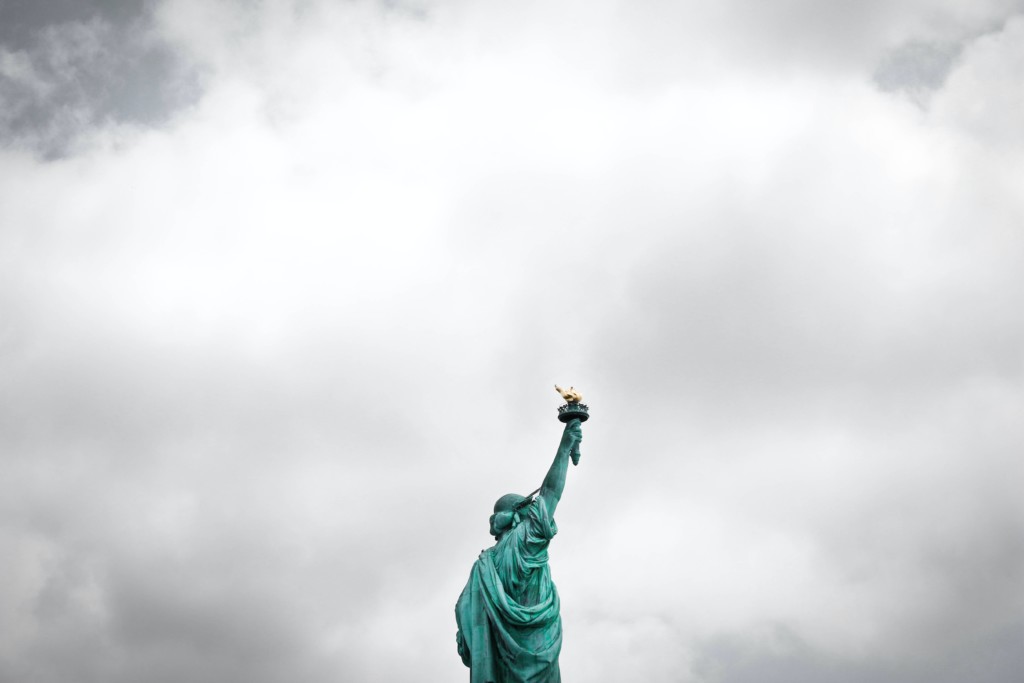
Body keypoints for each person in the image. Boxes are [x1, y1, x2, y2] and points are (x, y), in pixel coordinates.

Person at [455, 419, 583, 683]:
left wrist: (564, 447)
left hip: (508, 655)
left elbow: (550, 492)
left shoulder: (499, 554)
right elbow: (550, 494)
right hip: (533, 650)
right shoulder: (509, 548)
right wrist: (565, 446)